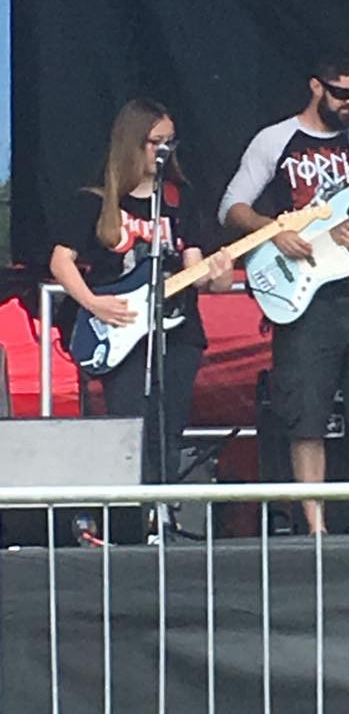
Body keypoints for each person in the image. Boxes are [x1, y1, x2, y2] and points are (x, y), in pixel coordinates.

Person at [218, 57, 349, 535]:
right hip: (303, 297)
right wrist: (273, 231)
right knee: (306, 416)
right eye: (340, 93)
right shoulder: (275, 140)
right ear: (315, 87)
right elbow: (231, 207)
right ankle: (315, 529)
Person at [50, 97, 233, 484]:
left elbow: (196, 268)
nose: (164, 151)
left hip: (178, 331)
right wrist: (93, 303)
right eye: (155, 142)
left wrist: (218, 276)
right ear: (132, 142)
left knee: (168, 431)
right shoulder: (97, 200)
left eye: (169, 142)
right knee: (128, 429)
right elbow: (61, 261)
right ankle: (130, 514)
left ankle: (161, 508)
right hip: (121, 324)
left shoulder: (181, 199)